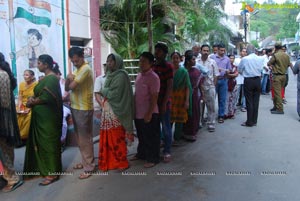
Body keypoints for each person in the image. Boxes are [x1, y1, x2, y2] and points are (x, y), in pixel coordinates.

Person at [23, 54, 63, 186]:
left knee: (49, 144)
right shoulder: (44, 79)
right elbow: (37, 94)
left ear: (46, 65)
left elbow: (47, 98)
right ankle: (45, 169)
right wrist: (31, 99)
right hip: (40, 118)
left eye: (39, 63)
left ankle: (53, 173)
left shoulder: (52, 79)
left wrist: (33, 102)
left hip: (48, 119)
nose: (37, 65)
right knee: (41, 144)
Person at [97, 53, 134, 171]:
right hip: (107, 110)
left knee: (117, 136)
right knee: (108, 137)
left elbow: (115, 94)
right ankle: (109, 162)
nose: (109, 63)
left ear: (117, 62)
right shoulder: (109, 75)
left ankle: (121, 162)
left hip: (117, 111)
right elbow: (108, 92)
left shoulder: (122, 75)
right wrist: (105, 91)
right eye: (108, 61)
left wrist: (103, 90)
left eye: (111, 61)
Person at [65, 47, 95, 179]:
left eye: (77, 61)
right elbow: (67, 87)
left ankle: (89, 166)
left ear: (82, 57)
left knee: (85, 139)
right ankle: (85, 162)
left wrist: (69, 79)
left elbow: (71, 87)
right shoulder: (77, 69)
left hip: (83, 108)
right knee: (80, 139)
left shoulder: (85, 69)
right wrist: (67, 78)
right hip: (76, 107)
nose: (75, 63)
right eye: (73, 61)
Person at [132, 52, 160, 168]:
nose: (141, 64)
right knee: (142, 136)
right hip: (138, 112)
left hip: (150, 113)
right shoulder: (139, 75)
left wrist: (149, 113)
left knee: (151, 137)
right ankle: (142, 154)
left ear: (151, 63)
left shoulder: (153, 78)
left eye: (144, 61)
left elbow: (154, 97)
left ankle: (153, 158)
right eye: (140, 61)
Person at [0, 53, 23, 192]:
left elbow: (3, 101)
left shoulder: (1, 75)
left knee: (5, 148)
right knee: (5, 148)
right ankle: (9, 175)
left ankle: (13, 178)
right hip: (4, 116)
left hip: (3, 117)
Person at [153, 42, 173, 162]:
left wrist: (165, 103)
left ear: (165, 54)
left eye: (159, 51)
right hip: (154, 102)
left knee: (166, 127)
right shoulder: (153, 66)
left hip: (164, 101)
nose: (156, 53)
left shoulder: (168, 67)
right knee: (155, 127)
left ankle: (167, 151)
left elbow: (170, 86)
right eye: (156, 50)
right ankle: (157, 148)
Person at [238, 45, 264, 127]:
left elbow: (239, 69)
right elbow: (261, 69)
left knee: (249, 101)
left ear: (248, 51)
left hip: (248, 80)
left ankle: (249, 121)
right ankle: (254, 120)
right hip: (257, 80)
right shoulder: (260, 58)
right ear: (254, 50)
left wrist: (244, 73)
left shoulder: (245, 59)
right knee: (256, 101)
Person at [170, 52, 192, 144]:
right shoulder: (168, 70)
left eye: (177, 58)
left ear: (180, 59)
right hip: (170, 98)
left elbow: (187, 87)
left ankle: (177, 138)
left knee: (179, 120)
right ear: (171, 59)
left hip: (180, 98)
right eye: (173, 58)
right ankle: (165, 138)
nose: (175, 60)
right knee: (168, 119)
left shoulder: (184, 71)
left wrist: (187, 101)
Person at [198, 44, 219, 132]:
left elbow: (216, 75)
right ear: (201, 51)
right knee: (199, 106)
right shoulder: (196, 62)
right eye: (204, 50)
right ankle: (199, 122)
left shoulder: (212, 62)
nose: (206, 52)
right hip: (199, 87)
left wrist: (213, 85)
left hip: (210, 87)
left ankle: (211, 123)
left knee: (211, 107)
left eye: (207, 51)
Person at [268, 42, 291, 114]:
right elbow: (288, 65)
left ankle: (280, 109)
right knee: (278, 92)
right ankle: (275, 106)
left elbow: (269, 63)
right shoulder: (286, 55)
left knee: (277, 93)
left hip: (277, 76)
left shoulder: (275, 55)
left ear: (275, 47)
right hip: (284, 75)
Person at [210, 44, 232, 123]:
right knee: (212, 99)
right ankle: (211, 116)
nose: (223, 52)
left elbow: (230, 69)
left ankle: (221, 116)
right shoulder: (212, 57)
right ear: (218, 50)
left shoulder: (227, 59)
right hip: (214, 80)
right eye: (221, 50)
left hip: (223, 80)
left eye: (224, 50)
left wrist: (227, 71)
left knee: (222, 99)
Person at [183, 50, 201, 141]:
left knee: (195, 112)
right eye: (193, 59)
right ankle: (185, 132)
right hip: (184, 95)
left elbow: (200, 84)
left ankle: (193, 131)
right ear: (188, 60)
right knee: (187, 113)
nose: (195, 61)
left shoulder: (197, 71)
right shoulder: (183, 71)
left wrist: (202, 95)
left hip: (194, 95)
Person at [53, 66, 71, 151]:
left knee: (61, 117)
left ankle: (62, 141)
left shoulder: (64, 83)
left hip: (64, 105)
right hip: (54, 105)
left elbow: (64, 97)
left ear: (58, 74)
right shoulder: (52, 83)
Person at [17, 69, 37, 142]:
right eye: (24, 75)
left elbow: (36, 97)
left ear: (32, 76)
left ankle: (24, 137)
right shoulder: (22, 84)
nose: (25, 77)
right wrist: (19, 107)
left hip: (31, 105)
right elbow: (20, 97)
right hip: (22, 104)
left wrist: (29, 108)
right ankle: (17, 136)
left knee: (29, 117)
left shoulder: (36, 84)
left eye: (27, 75)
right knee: (17, 115)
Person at [225, 54, 239, 119]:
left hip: (233, 84)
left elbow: (236, 74)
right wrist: (233, 75)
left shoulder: (235, 67)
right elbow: (226, 75)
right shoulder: (225, 66)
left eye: (233, 58)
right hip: (226, 83)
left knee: (233, 98)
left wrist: (230, 75)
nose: (232, 59)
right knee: (226, 99)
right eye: (230, 58)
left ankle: (231, 113)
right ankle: (225, 113)